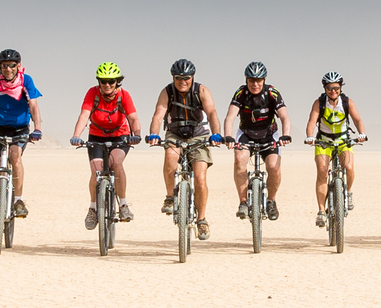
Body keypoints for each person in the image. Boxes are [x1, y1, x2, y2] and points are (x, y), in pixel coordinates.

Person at [146, 58, 224, 239]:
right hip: (175, 134)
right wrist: (154, 134)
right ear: (173, 78)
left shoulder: (202, 91)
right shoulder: (167, 92)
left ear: (192, 77)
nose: (183, 81)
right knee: (169, 157)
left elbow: (212, 112)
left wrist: (216, 134)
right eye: (178, 78)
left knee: (200, 178)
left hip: (199, 135)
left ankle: (202, 220)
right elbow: (159, 114)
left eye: (186, 78)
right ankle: (170, 197)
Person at [0, 49, 42, 227]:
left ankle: (18, 200)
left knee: (15, 156)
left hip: (20, 129)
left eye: (11, 66)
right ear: (0, 67)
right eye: (4, 66)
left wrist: (37, 128)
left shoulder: (26, 81)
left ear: (18, 66)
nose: (8, 69)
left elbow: (33, 106)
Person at [73, 62, 139, 230]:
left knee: (116, 163)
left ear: (117, 81)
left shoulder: (124, 95)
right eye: (104, 81)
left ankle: (123, 205)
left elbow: (133, 118)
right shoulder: (92, 93)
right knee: (96, 170)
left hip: (120, 135)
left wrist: (136, 134)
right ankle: (93, 209)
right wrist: (76, 136)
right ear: (99, 82)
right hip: (96, 136)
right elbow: (84, 116)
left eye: (111, 81)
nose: (108, 85)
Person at [225, 61, 292, 221]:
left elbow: (284, 117)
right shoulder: (241, 93)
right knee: (239, 160)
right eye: (251, 80)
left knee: (273, 167)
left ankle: (271, 201)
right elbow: (230, 117)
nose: (255, 84)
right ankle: (243, 202)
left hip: (269, 134)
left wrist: (285, 135)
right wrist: (228, 136)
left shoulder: (272, 93)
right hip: (246, 133)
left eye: (259, 80)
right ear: (246, 80)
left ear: (264, 80)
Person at [305, 71, 367, 228]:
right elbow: (312, 122)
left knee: (349, 167)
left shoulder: (347, 102)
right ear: (325, 88)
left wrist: (361, 134)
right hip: (323, 140)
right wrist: (310, 136)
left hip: (342, 140)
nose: (333, 91)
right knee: (322, 171)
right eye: (330, 88)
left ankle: (349, 192)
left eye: (336, 88)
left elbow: (357, 119)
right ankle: (320, 211)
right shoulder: (319, 103)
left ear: (341, 88)